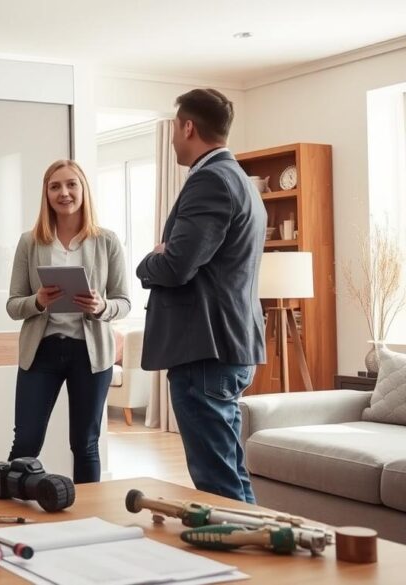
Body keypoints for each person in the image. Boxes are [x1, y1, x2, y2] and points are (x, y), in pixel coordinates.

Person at [136, 88, 266, 503]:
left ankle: (240, 561)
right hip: (226, 345)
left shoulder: (210, 180)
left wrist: (147, 261)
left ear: (188, 127)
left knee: (216, 481)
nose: (174, 137)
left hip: (206, 349)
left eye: (175, 128)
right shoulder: (239, 179)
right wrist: (168, 252)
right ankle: (260, 551)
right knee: (228, 472)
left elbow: (175, 266)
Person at [6, 159, 131, 483]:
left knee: (86, 444)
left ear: (83, 190)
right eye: (55, 186)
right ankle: (10, 514)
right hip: (42, 352)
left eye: (71, 184)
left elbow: (124, 302)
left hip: (90, 356)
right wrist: (38, 301)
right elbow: (13, 304)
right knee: (26, 442)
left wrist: (101, 306)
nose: (64, 192)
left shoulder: (107, 241)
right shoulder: (30, 242)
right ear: (46, 195)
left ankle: (87, 520)